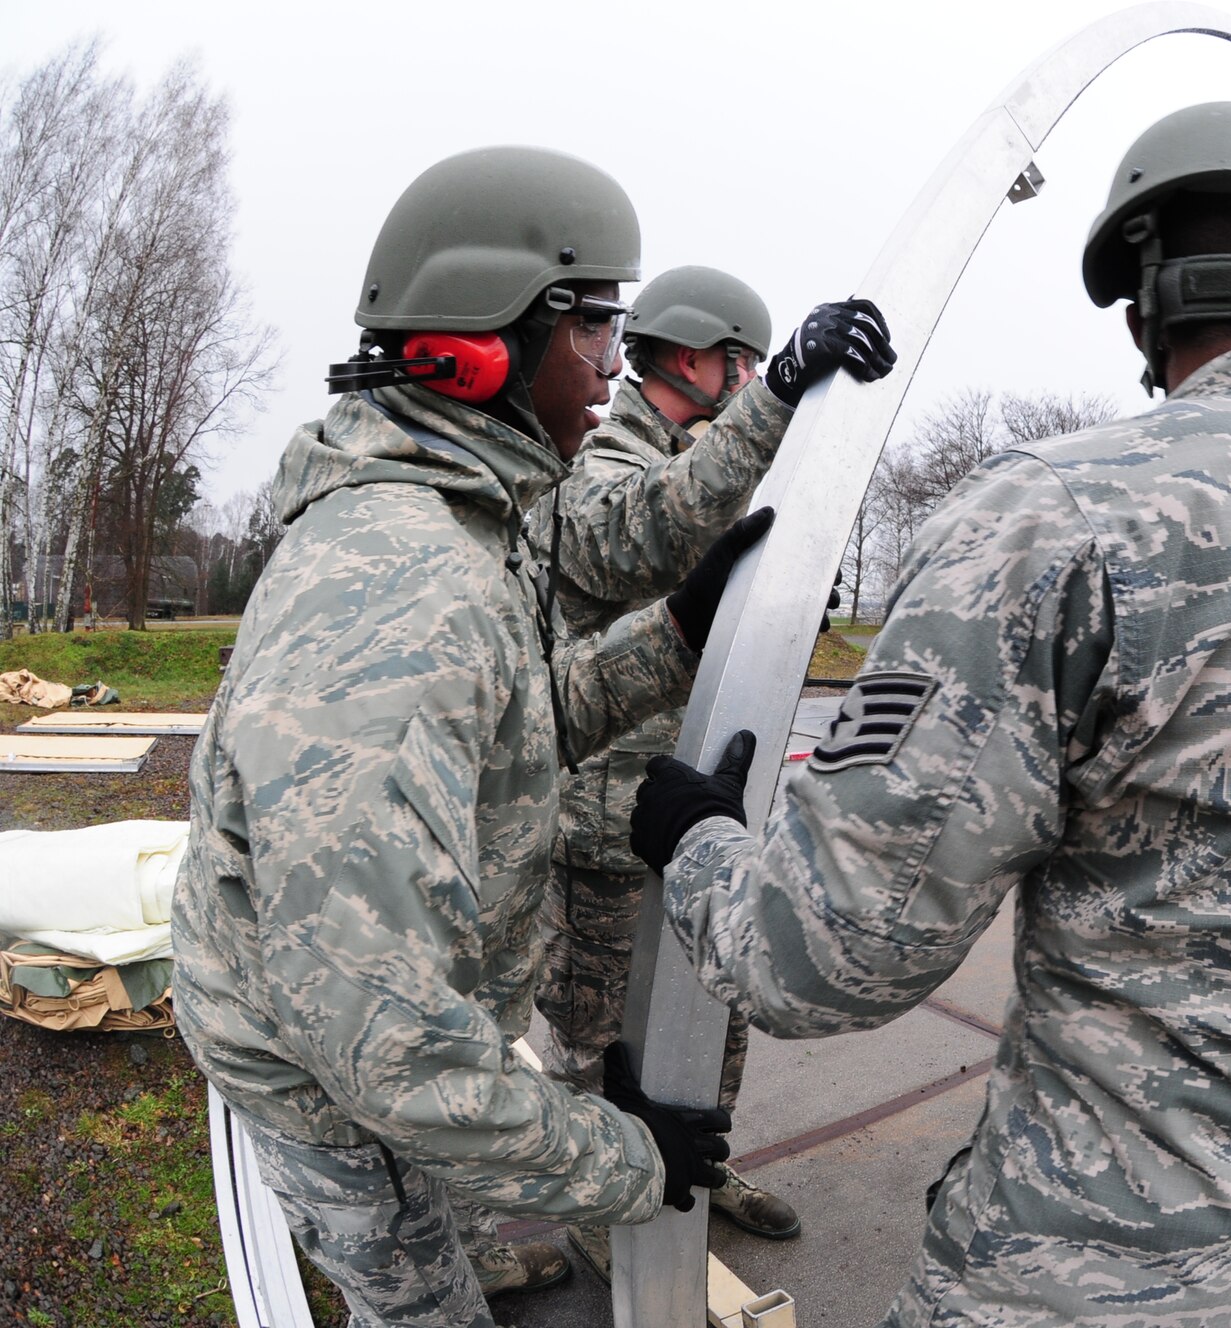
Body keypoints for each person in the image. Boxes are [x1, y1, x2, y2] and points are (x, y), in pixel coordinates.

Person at [629, 102, 1231, 1327]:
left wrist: (697, 841)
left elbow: (817, 958)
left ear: (1141, 312)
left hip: (1087, 1268)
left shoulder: (1058, 518)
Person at [171, 146, 761, 1327]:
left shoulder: (446, 526)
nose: (609, 370)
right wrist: (625, 1154)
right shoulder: (408, 585)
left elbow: (510, 725)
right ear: (485, 342)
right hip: (336, 1095)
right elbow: (387, 1045)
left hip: (352, 1064)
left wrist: (679, 632)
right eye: (594, 327)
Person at [533, 267, 895, 1271]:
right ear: (697, 356)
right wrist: (782, 389)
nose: (745, 385)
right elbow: (639, 538)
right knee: (592, 1036)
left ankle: (701, 1167)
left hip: (696, 810)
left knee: (710, 1017)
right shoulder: (606, 460)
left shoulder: (702, 459)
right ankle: (595, 1198)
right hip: (609, 823)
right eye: (743, 363)